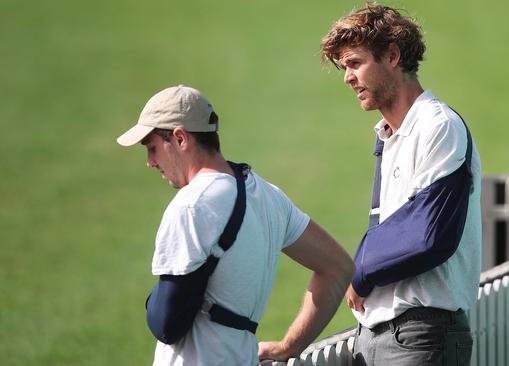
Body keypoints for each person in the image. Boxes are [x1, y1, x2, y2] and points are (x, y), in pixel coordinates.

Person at [116, 85, 354, 365]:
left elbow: (165, 324)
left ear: (180, 138)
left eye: (153, 148)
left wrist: (151, 302)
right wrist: (290, 346)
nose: (150, 162)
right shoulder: (268, 196)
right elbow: (339, 267)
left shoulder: (191, 205)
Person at [320, 4, 482, 365]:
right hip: (380, 334)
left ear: (392, 56)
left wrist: (360, 271)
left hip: (422, 335)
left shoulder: (438, 126)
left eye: (355, 63)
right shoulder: (390, 135)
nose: (347, 77)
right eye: (344, 67)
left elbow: (427, 236)